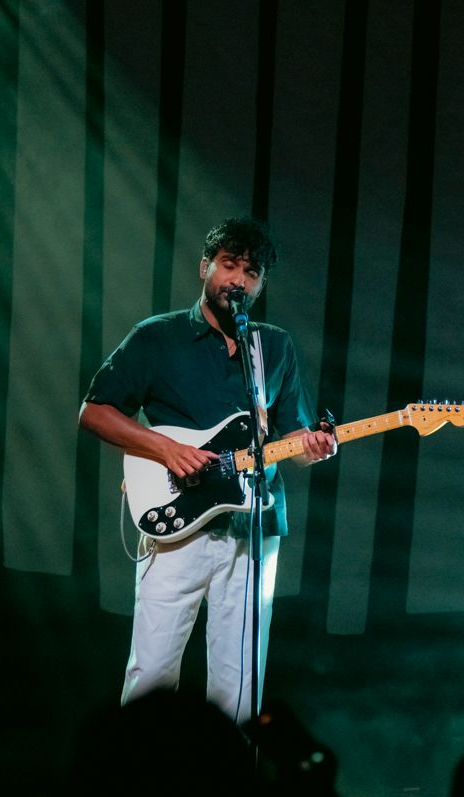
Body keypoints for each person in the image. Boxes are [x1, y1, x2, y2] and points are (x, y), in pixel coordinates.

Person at [78, 216, 335, 724]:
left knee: (240, 681)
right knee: (151, 671)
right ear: (205, 267)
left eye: (252, 272)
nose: (238, 280)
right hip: (176, 522)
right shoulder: (158, 337)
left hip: (251, 526)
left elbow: (290, 442)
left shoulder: (274, 347)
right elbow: (94, 410)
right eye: (229, 265)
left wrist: (312, 447)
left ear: (261, 283)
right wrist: (162, 448)